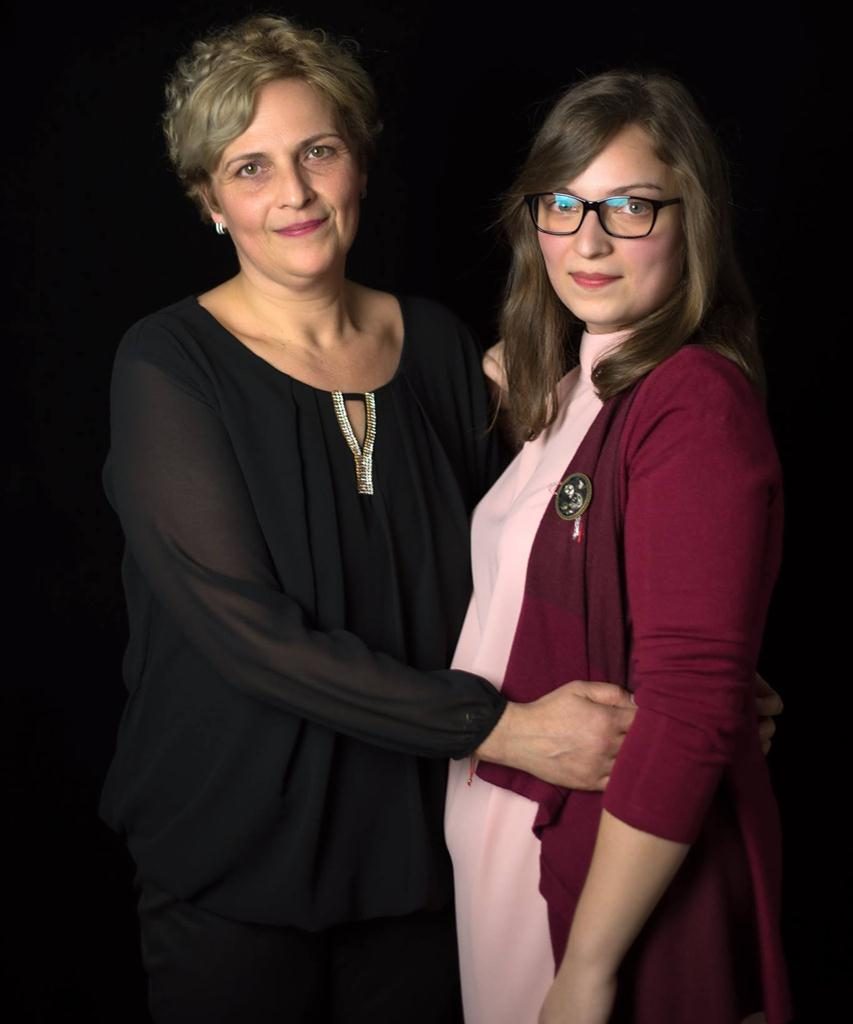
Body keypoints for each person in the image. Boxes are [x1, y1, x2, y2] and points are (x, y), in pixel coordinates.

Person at [99, 16, 655, 1024]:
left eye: (318, 150)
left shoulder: (438, 345)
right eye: (251, 167)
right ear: (209, 200)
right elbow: (251, 639)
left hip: (417, 853)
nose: (295, 193)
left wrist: (681, 685)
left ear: (357, 158)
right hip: (230, 856)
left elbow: (531, 564)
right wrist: (503, 728)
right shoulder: (167, 365)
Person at [445, 70, 792, 1024]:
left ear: (692, 221)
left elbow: (689, 704)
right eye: (562, 205)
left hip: (594, 891)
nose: (588, 241)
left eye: (629, 207)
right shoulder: (573, 392)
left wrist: (588, 970)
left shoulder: (693, 402)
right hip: (507, 864)